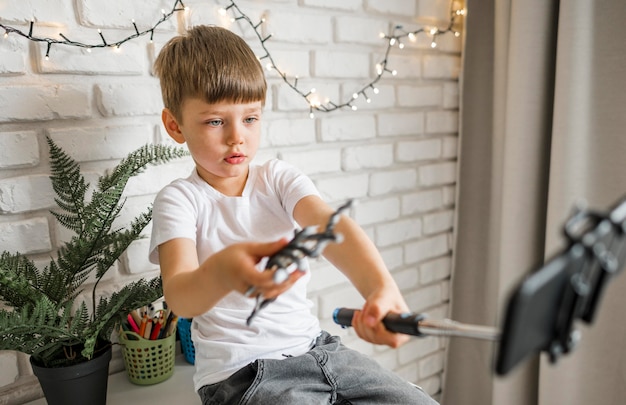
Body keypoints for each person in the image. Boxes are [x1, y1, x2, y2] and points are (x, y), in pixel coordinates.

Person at [149, 25, 438, 405]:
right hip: (241, 375)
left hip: (319, 350)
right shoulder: (180, 200)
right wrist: (223, 271)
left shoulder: (278, 179)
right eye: (216, 121)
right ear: (175, 126)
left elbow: (333, 228)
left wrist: (381, 289)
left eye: (250, 118)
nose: (238, 137)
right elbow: (181, 298)